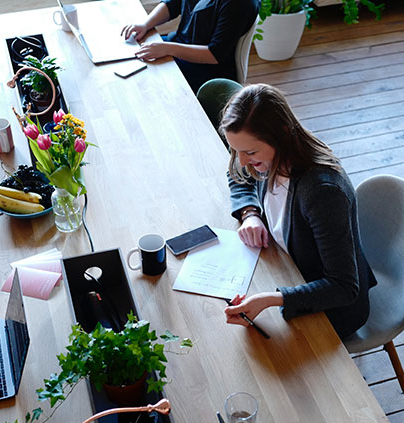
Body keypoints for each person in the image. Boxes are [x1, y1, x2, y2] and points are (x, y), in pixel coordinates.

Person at [220, 84, 377, 340]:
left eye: (250, 152)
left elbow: (344, 287)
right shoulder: (266, 153)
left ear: (281, 134)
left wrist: (273, 299)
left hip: (331, 307)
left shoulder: (322, 192)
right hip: (286, 268)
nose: (242, 160)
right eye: (236, 150)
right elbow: (238, 174)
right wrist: (250, 213)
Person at [120, 0, 259, 91]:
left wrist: (167, 48)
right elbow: (172, 4)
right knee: (132, 54)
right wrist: (145, 24)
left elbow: (215, 54)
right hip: (178, 47)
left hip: (206, 69)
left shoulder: (239, 4)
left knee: (144, 79)